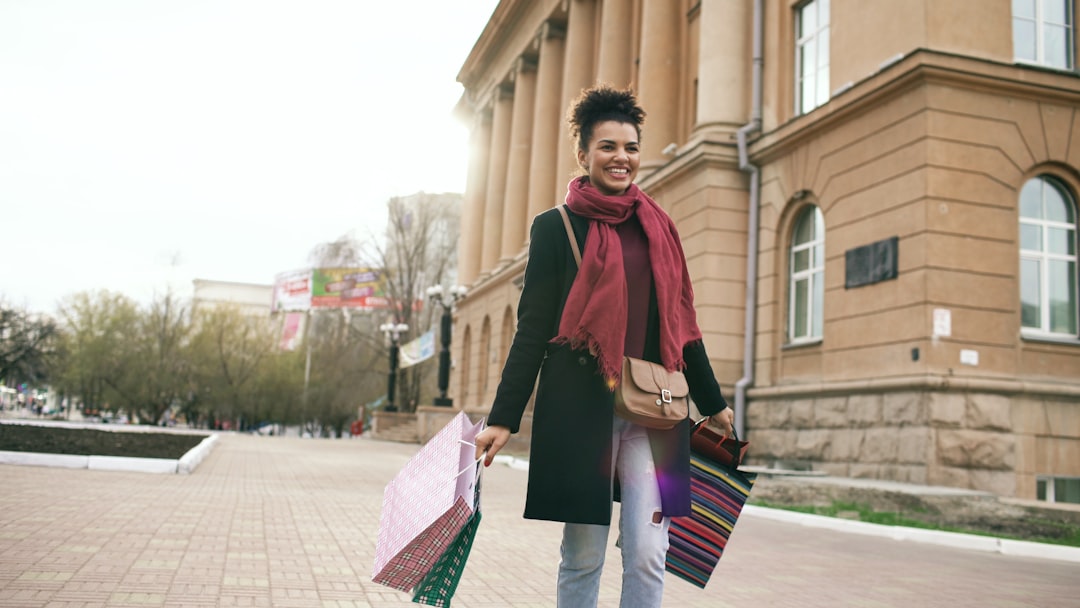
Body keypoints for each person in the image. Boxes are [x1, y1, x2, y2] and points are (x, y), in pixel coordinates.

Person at [473, 85, 735, 608]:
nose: (622, 158)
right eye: (609, 147)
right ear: (583, 154)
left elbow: (683, 324)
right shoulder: (554, 228)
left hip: (655, 412)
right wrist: (504, 417)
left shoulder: (659, 228)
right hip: (580, 410)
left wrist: (714, 403)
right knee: (584, 552)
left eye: (631, 147)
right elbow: (532, 330)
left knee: (647, 549)